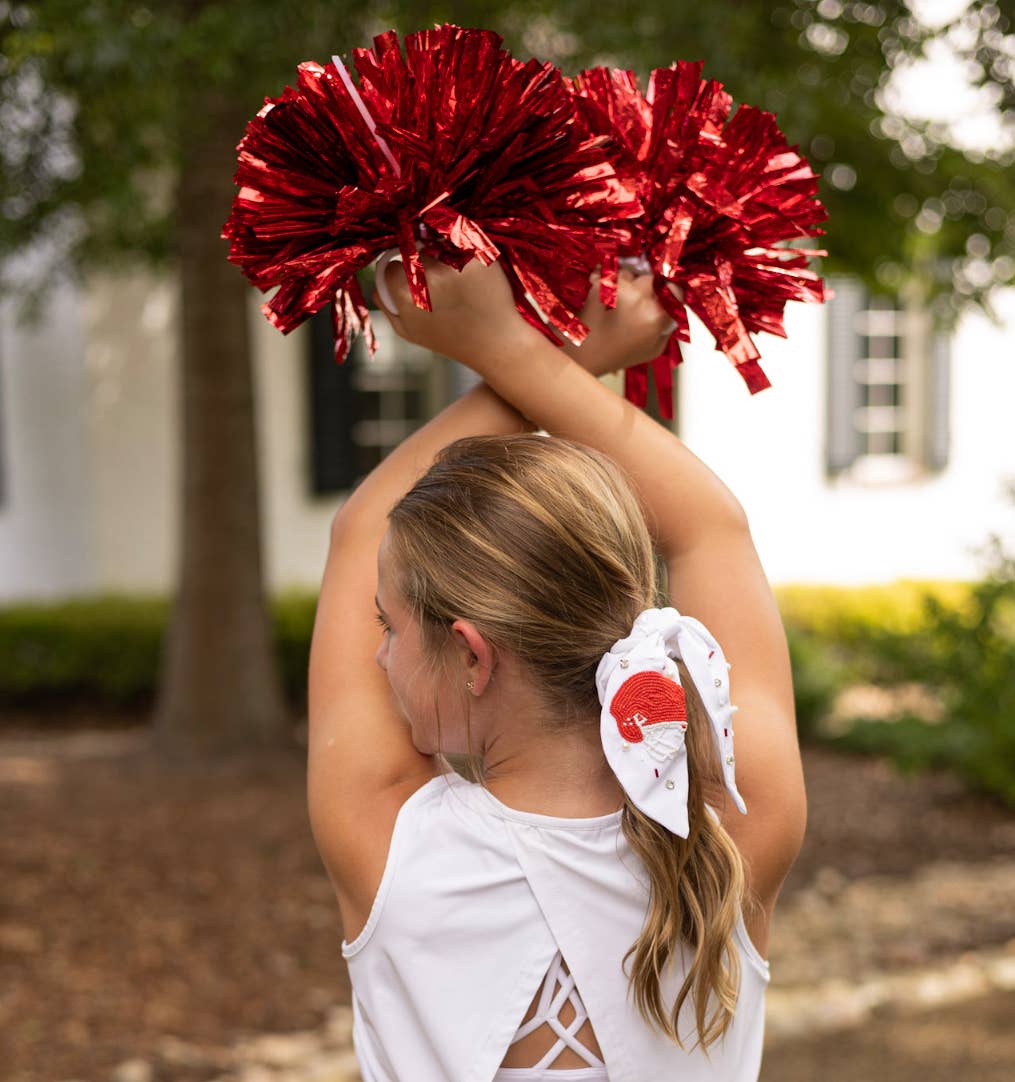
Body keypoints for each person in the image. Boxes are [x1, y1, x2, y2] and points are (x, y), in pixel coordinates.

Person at [306, 256, 807, 1082]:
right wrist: (524, 347)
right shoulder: (732, 823)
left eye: (387, 626)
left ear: (471, 654)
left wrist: (539, 349)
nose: (378, 654)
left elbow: (361, 530)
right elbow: (709, 530)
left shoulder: (389, 845)